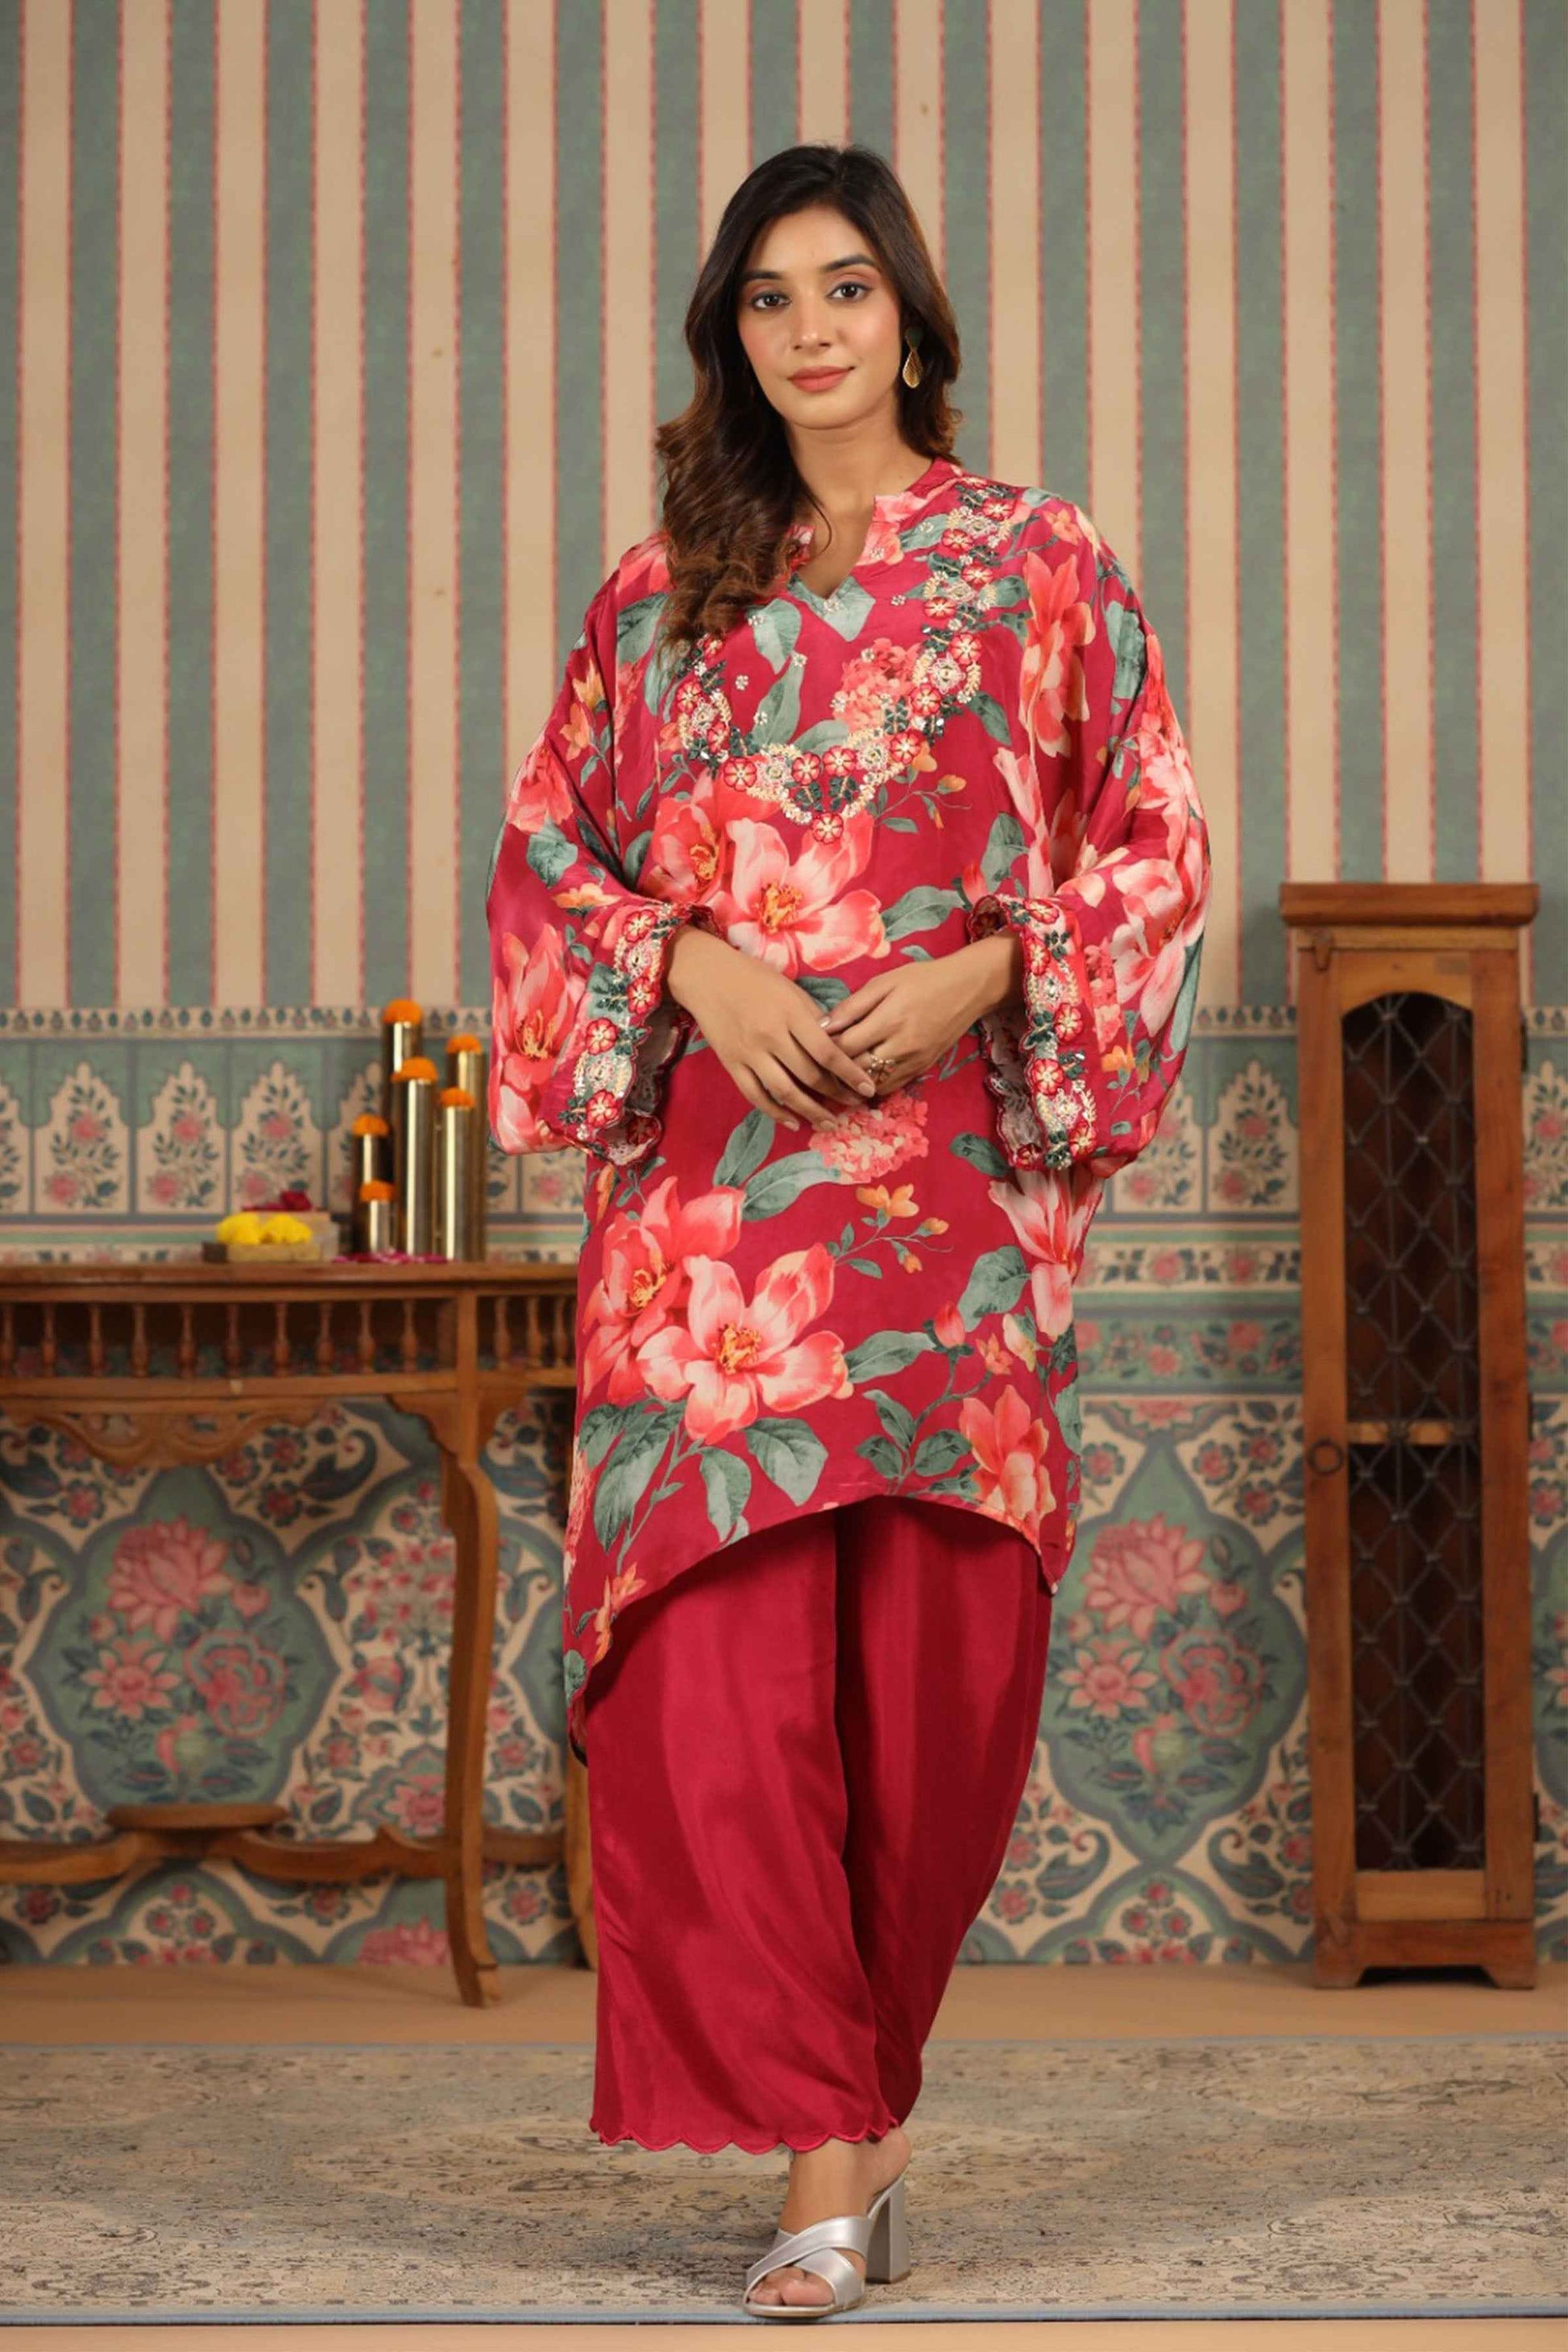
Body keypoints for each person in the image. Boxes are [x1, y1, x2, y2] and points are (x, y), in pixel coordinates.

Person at [486, 143, 1210, 2318]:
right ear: (732, 337)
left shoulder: (1039, 564)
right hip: (709, 1222)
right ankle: (826, 2148)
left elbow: (1151, 839)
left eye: (845, 288)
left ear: (909, 316)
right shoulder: (661, 594)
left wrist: (989, 967)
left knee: (932, 1695)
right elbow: (551, 864)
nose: (810, 330)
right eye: (768, 299)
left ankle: (852, 2123)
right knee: (708, 1703)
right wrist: (693, 965)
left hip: (950, 1215)